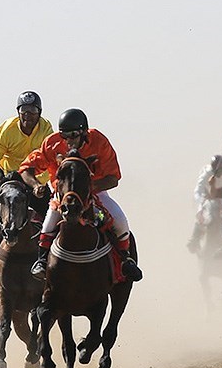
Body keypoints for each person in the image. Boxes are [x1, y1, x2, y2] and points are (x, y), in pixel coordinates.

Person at [18, 107, 143, 282]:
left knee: (120, 220)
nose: (68, 141)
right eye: (64, 136)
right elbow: (26, 167)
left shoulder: (98, 141)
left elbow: (113, 178)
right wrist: (36, 185)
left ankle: (125, 259)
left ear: (84, 132)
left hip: (95, 193)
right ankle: (41, 260)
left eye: (74, 135)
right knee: (47, 225)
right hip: (62, 196)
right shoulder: (52, 143)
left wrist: (87, 188)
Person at [0, 91, 54, 291]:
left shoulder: (46, 129)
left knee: (55, 218)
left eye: (32, 112)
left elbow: (49, 161)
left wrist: (38, 185)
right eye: (24, 112)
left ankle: (56, 264)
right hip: (9, 179)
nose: (28, 117)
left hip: (34, 180)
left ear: (39, 113)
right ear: (18, 112)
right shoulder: (6, 130)